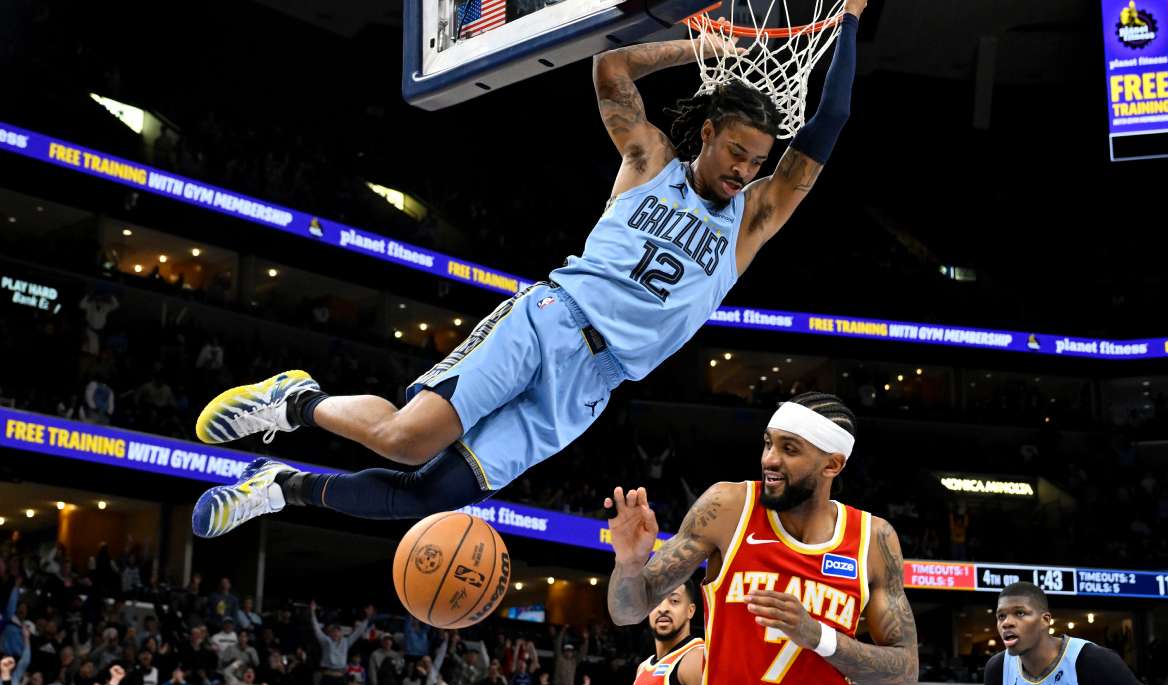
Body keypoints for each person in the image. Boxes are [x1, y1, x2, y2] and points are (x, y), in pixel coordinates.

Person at [188, 0, 867, 539]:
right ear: (710, 131)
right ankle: (295, 401)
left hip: (591, 387)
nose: (746, 171)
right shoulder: (650, 161)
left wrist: (851, 21)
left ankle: (279, 485)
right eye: (739, 153)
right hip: (551, 321)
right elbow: (611, 71)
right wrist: (699, 47)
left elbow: (827, 125)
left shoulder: (751, 220)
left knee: (426, 496)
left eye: (757, 162)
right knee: (406, 438)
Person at [605, 392, 918, 685]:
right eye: (768, 444)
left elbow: (904, 676)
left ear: (832, 465)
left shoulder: (873, 539)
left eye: (789, 449)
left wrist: (818, 636)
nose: (770, 459)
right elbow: (627, 612)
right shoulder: (727, 507)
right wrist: (630, 564)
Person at [985, 582, 1144, 685]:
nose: (1007, 623)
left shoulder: (1093, 660)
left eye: (1020, 613)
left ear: (1045, 620)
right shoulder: (997, 668)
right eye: (1001, 616)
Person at [630, 583, 703, 685]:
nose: (663, 608)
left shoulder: (696, 658)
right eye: (656, 601)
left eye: (674, 601)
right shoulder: (642, 667)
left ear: (690, 610)